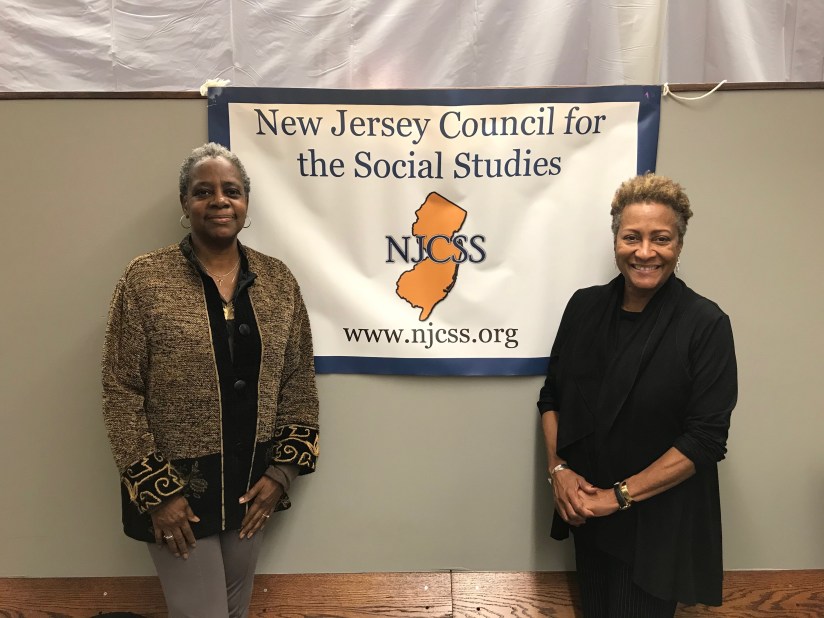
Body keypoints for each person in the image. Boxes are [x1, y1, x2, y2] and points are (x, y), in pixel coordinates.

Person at [102, 142, 319, 618]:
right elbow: (120, 392)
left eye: (231, 191)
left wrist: (281, 474)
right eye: (204, 191)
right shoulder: (145, 279)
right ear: (185, 203)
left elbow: (299, 381)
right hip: (177, 492)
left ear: (246, 202)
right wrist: (157, 491)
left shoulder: (278, 281)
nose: (219, 200)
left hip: (252, 487)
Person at [537, 174, 737, 617]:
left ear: (679, 245)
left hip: (657, 528)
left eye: (660, 238)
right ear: (616, 241)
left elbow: (705, 440)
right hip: (586, 512)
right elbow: (552, 398)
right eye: (632, 237)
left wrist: (617, 497)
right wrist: (559, 470)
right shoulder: (583, 307)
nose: (645, 252)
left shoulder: (705, 325)